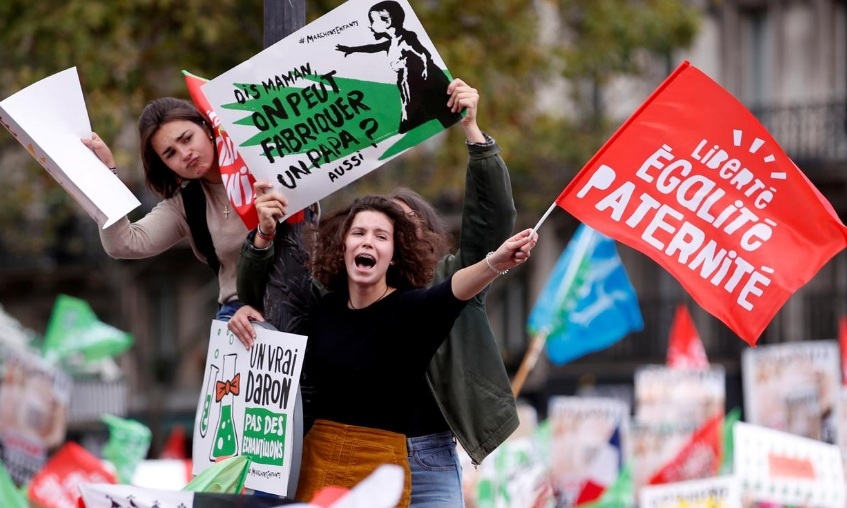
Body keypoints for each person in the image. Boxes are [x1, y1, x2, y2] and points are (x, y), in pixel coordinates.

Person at [232, 79, 519, 506]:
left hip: (428, 458)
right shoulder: (332, 297)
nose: (374, 240)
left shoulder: (448, 281)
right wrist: (247, 291)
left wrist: (473, 133)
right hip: (336, 454)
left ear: (412, 242)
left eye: (391, 231)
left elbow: (490, 229)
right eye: (362, 230)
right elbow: (275, 295)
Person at [230, 194, 537, 506]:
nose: (368, 242)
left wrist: (494, 263)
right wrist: (244, 311)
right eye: (359, 233)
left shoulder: (413, 310)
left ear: (393, 255)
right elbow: (271, 298)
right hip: (318, 459)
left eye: (381, 236)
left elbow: (454, 291)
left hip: (380, 469)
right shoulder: (323, 308)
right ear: (343, 247)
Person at [81, 97, 249, 320]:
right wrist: (106, 176)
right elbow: (122, 244)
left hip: (302, 299)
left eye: (187, 139)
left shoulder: (262, 162)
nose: (185, 153)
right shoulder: (186, 205)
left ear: (207, 127)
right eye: (170, 153)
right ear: (165, 165)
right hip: (241, 321)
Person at [336, 0, 462, 133]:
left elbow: (423, 53)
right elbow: (372, 48)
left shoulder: (407, 37)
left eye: (373, 21)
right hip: (407, 84)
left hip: (422, 84)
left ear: (387, 22)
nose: (371, 25)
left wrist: (425, 67)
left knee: (441, 112)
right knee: (419, 118)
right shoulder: (390, 43)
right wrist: (351, 49)